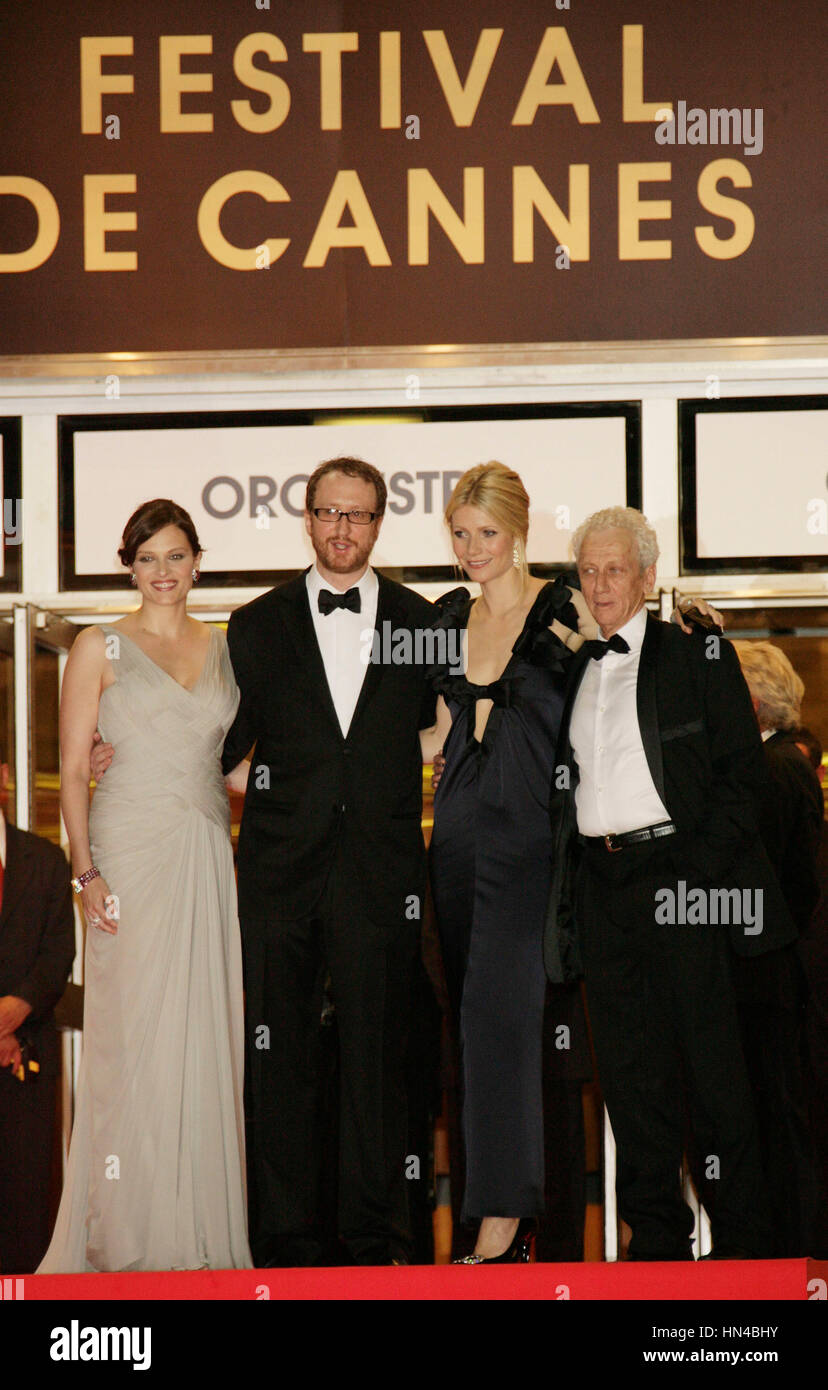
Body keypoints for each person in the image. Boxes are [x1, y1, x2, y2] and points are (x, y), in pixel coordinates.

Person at [544, 506, 797, 1260]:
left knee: (712, 1071)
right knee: (629, 1076)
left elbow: (740, 783)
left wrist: (693, 874)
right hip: (603, 883)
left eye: (614, 569)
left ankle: (744, 1242)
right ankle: (655, 1239)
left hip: (680, 881)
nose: (599, 584)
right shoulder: (569, 667)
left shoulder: (698, 657)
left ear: (649, 577)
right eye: (587, 571)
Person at [220, 457, 437, 1267]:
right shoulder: (256, 623)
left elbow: (444, 727)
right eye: (329, 513)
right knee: (280, 1059)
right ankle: (284, 1238)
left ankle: (378, 1237)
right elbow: (223, 751)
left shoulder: (423, 619)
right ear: (306, 518)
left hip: (382, 874)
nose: (343, 529)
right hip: (279, 874)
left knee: (379, 1058)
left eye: (359, 515)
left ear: (380, 523)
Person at [39, 499, 251, 1272]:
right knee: (131, 1048)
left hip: (202, 852)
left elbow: (230, 767)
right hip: (125, 858)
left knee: (200, 1044)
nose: (163, 571)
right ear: (129, 566)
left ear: (198, 562)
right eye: (148, 557)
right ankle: (123, 1240)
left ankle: (195, 1236)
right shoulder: (98, 646)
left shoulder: (229, 650)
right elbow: (69, 774)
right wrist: (84, 871)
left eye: (176, 555)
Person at [420, 461, 594, 1264]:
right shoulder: (446, 613)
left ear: (519, 531)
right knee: (471, 1022)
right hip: (454, 836)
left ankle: (504, 1218)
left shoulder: (562, 608)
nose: (471, 548)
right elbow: (426, 736)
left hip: (529, 840)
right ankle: (494, 1212)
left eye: (486, 532)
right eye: (460, 533)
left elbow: (608, 700)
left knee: (506, 1023)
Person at [728, 641, 822, 1253]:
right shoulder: (790, 764)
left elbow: (783, 881)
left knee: (780, 1113)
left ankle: (790, 1247)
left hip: (775, 974)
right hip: (783, 972)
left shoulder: (774, 769)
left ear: (753, 702)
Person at [0, 757, 75, 1273]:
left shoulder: (45, 861)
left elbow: (58, 955)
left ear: (3, 775)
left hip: (26, 1058)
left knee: (26, 1201)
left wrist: (15, 1010)